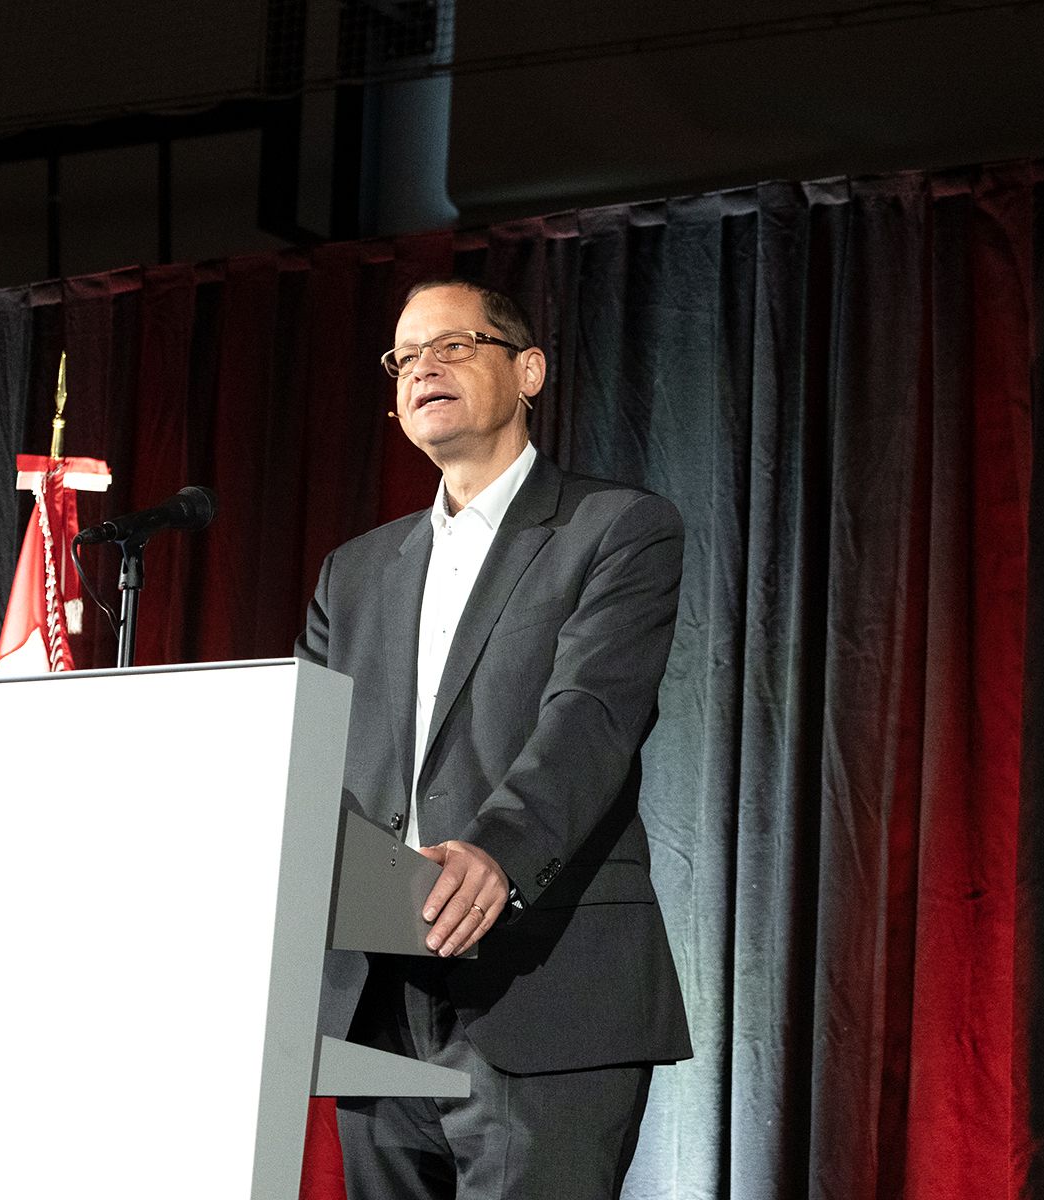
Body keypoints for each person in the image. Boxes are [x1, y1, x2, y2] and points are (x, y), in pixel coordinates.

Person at [295, 280, 691, 1199]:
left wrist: (499, 855)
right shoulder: (353, 573)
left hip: (541, 993)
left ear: (529, 371)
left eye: (455, 345)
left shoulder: (615, 529)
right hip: (377, 1001)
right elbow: (315, 760)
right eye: (404, 357)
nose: (423, 367)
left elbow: (591, 718)